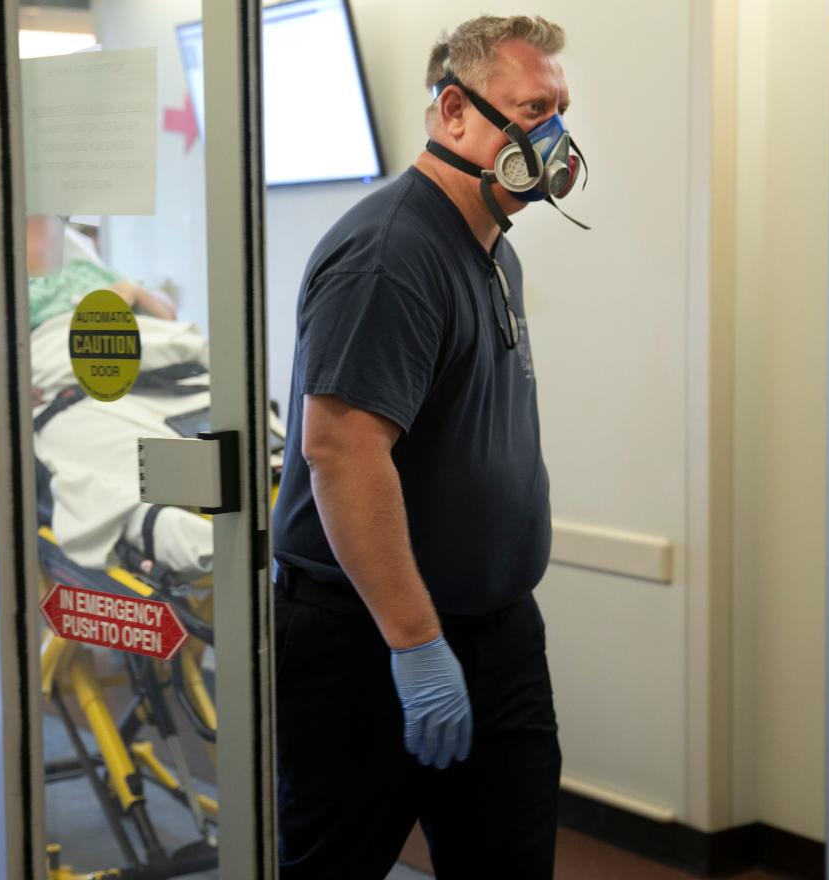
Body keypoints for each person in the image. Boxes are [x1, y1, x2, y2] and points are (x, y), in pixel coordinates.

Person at [271, 14, 587, 878]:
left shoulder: (491, 248)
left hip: (495, 631)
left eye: (560, 109)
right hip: (370, 640)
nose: (554, 135)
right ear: (454, 112)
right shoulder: (390, 254)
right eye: (532, 109)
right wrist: (415, 646)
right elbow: (340, 453)